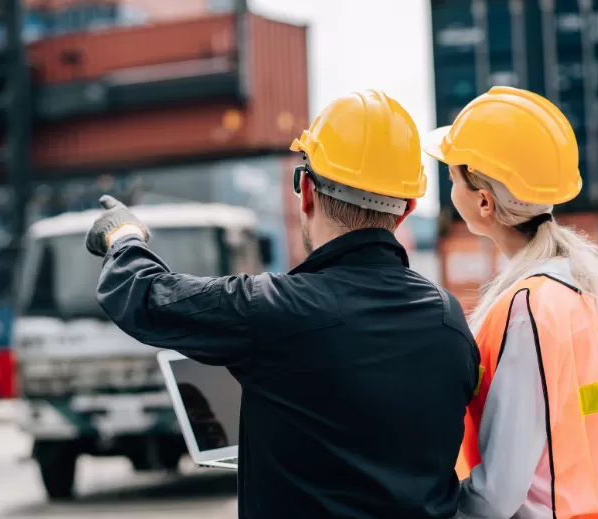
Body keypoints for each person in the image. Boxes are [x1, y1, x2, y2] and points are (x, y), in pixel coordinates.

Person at [85, 89, 481, 519]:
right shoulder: (448, 320)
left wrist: (124, 236)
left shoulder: (272, 310)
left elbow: (143, 294)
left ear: (306, 190)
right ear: (407, 210)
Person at [423, 85, 598, 519]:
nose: (449, 184)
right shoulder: (585, 286)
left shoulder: (527, 308)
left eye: (453, 175)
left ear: (483, 201)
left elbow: (497, 494)